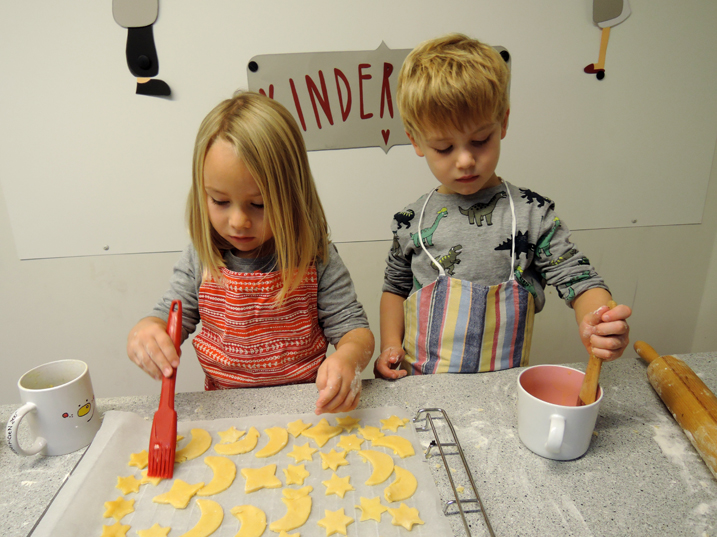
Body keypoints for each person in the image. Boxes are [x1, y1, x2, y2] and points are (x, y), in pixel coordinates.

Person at [376, 34, 631, 379]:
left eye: (480, 140)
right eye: (444, 148)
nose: (465, 160)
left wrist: (598, 320)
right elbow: (394, 289)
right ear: (416, 141)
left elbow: (580, 279)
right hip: (424, 388)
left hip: (503, 390)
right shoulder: (410, 222)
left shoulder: (532, 214)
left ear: (504, 123)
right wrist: (390, 345)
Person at [127, 91, 375, 413]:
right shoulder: (201, 258)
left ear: (293, 195)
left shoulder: (314, 256)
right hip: (226, 409)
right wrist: (148, 329)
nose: (238, 221)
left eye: (258, 204)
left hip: (306, 407)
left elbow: (355, 330)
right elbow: (169, 316)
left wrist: (348, 358)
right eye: (219, 201)